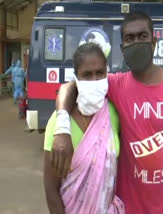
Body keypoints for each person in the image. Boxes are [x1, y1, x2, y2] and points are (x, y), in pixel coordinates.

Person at [51, 11, 163, 214]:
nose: (137, 42)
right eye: (130, 38)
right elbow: (69, 87)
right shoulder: (116, 84)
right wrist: (61, 128)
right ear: (122, 48)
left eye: (142, 36)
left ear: (154, 42)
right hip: (128, 207)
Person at [43, 43, 124, 214]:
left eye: (100, 73)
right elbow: (51, 190)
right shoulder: (58, 124)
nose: (95, 81)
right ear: (77, 78)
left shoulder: (113, 114)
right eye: (87, 75)